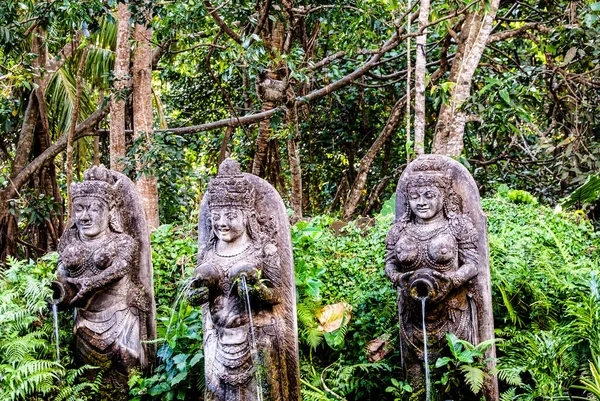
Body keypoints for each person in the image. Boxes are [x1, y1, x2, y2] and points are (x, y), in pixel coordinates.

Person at [189, 159, 297, 401]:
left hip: (257, 339)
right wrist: (196, 293)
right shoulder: (208, 252)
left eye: (230, 215)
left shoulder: (263, 250)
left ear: (247, 215)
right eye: (216, 215)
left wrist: (256, 289)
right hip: (218, 339)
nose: (221, 222)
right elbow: (195, 295)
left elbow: (277, 295)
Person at [54, 165, 153, 392]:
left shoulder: (122, 242)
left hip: (120, 319)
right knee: (87, 381)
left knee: (126, 379)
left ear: (110, 211)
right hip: (84, 323)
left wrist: (91, 283)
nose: (85, 216)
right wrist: (61, 291)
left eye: (93, 209)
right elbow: (61, 275)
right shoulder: (70, 243)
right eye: (79, 209)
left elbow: (121, 268)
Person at [385, 157, 480, 385]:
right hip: (413, 316)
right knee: (415, 379)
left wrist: (453, 280)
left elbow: (473, 263)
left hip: (452, 312)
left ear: (444, 197)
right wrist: (399, 278)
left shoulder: (457, 226)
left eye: (429, 195)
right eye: (415, 197)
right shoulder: (399, 230)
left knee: (456, 380)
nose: (421, 202)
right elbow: (389, 264)